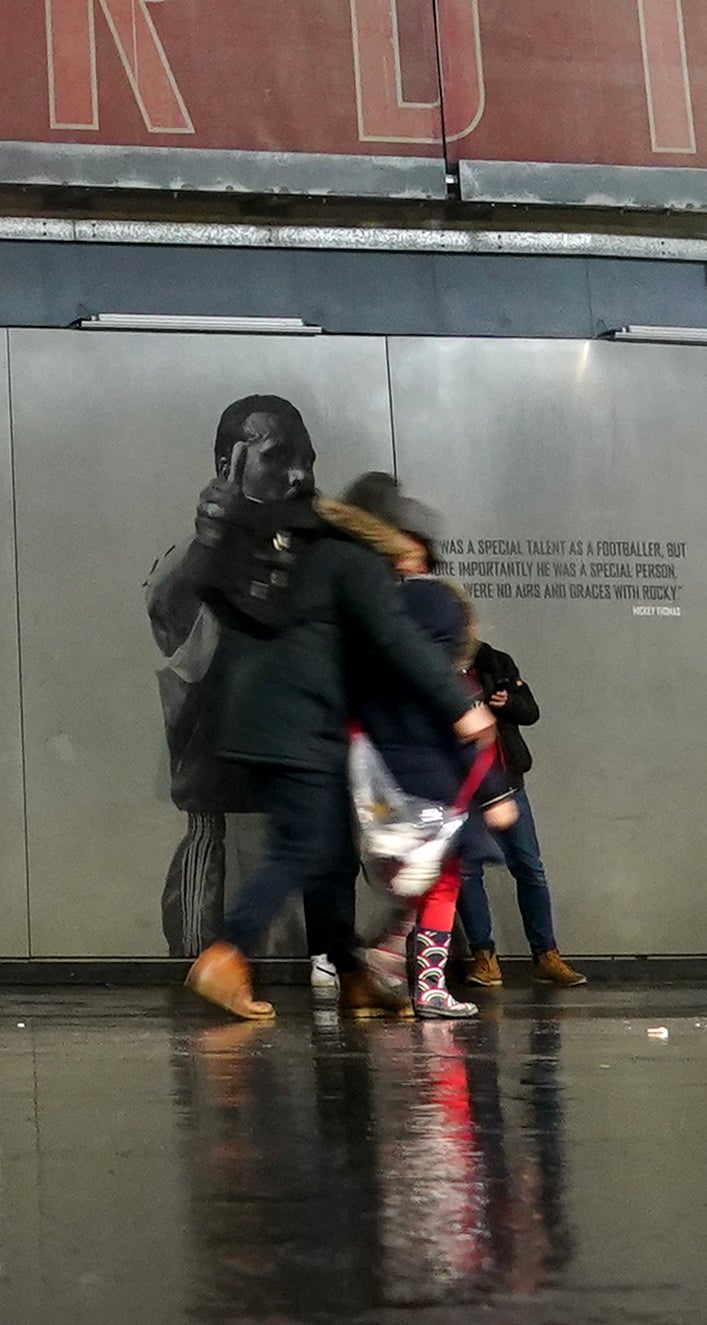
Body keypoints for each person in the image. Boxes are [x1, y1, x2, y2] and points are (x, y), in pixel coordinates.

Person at [143, 391, 461, 1027]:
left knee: (325, 857)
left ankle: (348, 974)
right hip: (284, 744)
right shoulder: (332, 559)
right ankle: (227, 956)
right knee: (300, 849)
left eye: (306, 459)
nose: (296, 473)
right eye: (277, 456)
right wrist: (461, 705)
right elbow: (174, 604)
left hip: (282, 731)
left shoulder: (296, 556)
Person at [346, 477, 505, 1021]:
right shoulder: (440, 673)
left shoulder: (373, 647)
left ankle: (390, 960)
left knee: (419, 886)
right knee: (443, 883)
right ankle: (426, 983)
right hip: (435, 789)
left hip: (381, 790)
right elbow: (462, 737)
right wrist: (494, 793)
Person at [450, 616, 575, 991]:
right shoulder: (433, 667)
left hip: (507, 779)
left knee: (530, 868)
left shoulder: (495, 662)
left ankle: (547, 955)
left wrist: (507, 703)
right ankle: (484, 958)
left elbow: (530, 711)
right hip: (463, 786)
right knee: (468, 874)